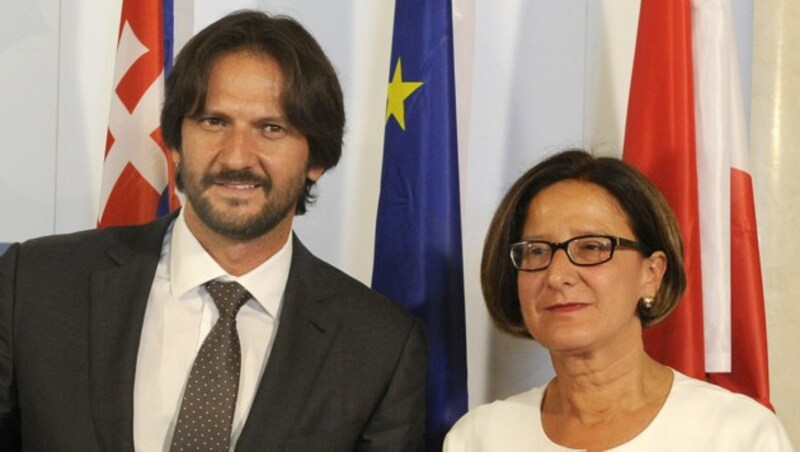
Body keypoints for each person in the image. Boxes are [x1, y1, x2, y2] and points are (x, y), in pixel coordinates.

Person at [0, 10, 426, 451]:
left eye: (271, 128)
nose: (237, 156)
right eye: (214, 122)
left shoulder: (379, 347)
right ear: (175, 144)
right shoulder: (34, 286)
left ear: (315, 160)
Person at [444, 149, 793, 451]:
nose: (556, 275)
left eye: (591, 247)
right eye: (537, 251)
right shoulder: (478, 439)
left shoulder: (740, 435)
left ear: (652, 273)